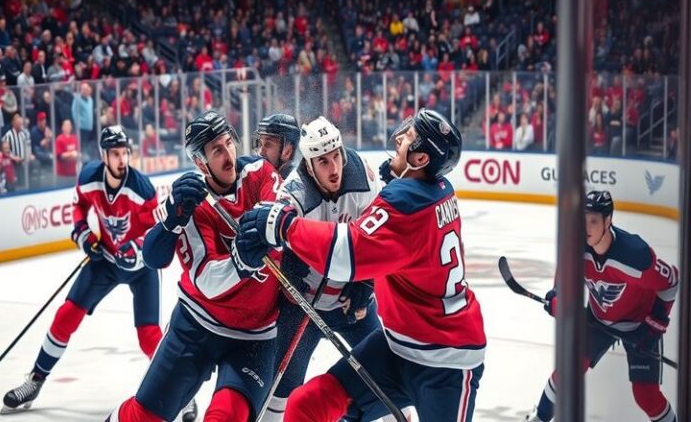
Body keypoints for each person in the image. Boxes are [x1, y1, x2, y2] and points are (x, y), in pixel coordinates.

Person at [235, 109, 486, 422]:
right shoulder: (429, 190)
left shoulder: (403, 201)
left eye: (408, 137)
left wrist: (282, 226)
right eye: (323, 160)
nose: (398, 138)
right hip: (397, 344)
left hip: (446, 360)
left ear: (420, 160)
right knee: (303, 404)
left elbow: (349, 252)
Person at [107, 110, 283, 422]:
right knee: (142, 417)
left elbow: (279, 227)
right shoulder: (189, 198)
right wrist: (173, 219)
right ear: (201, 163)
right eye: (217, 150)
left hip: (254, 336)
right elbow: (202, 278)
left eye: (229, 143)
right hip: (196, 325)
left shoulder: (260, 174)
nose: (229, 155)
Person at [2, 126, 163, 413]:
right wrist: (83, 236)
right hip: (106, 261)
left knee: (148, 334)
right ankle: (36, 380)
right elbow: (78, 208)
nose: (122, 159)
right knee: (66, 315)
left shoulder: (141, 188)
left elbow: (155, 232)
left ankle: (180, 391)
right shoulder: (89, 178)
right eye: (115, 153)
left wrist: (137, 248)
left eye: (124, 152)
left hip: (141, 268)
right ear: (104, 155)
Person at [260, 116, 382, 422]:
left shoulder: (364, 178)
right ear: (309, 164)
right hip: (303, 305)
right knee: (283, 383)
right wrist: (289, 273)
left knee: (383, 371)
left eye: (337, 155)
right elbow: (273, 247)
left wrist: (366, 283)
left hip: (350, 302)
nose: (335, 167)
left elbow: (380, 241)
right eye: (323, 161)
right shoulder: (294, 194)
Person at [524, 191, 679, 422]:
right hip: (597, 319)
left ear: (608, 221)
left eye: (594, 220)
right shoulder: (577, 245)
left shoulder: (635, 255)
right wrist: (558, 295)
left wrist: (654, 324)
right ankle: (539, 419)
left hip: (639, 326)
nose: (586, 227)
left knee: (645, 395)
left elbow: (671, 282)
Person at [254, 113, 301, 178]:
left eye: (268, 144)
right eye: (260, 144)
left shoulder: (294, 183)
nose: (261, 152)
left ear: (287, 151)